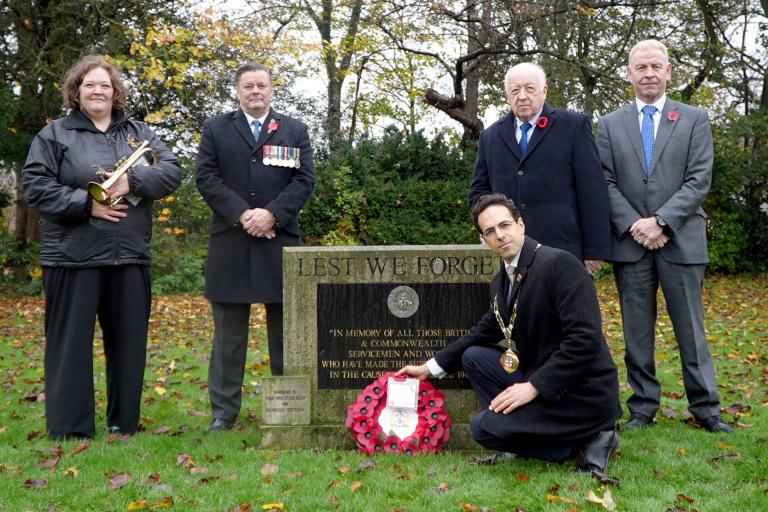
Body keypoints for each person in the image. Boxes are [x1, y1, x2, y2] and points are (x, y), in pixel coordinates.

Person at [398, 193, 622, 473]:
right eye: (490, 231)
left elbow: (585, 340)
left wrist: (534, 386)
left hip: (582, 394)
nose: (500, 235)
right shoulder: (501, 282)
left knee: (483, 430)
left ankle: (594, 436)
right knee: (475, 356)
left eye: (505, 225)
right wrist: (430, 368)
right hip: (543, 381)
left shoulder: (559, 265)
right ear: (483, 240)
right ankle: (559, 442)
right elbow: (483, 331)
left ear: (521, 225)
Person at [22, 55, 182, 439]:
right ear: (76, 92)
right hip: (71, 257)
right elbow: (36, 187)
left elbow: (173, 170)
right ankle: (71, 429)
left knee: (128, 348)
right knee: (69, 348)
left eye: (105, 85)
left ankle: (122, 423)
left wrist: (134, 182)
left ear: (116, 92)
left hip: (129, 255)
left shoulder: (139, 133)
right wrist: (86, 204)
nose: (98, 91)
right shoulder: (55, 135)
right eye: (90, 85)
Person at [597, 40, 733, 433]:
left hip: (682, 241)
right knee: (636, 333)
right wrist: (636, 225)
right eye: (641, 67)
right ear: (630, 74)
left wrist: (661, 221)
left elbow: (699, 180)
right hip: (630, 245)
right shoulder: (609, 124)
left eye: (656, 66)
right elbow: (604, 182)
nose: (649, 73)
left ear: (669, 71)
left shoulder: (694, 118)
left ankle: (706, 408)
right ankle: (642, 407)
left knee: (691, 329)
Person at [196, 63, 316, 431]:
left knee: (284, 334)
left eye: (262, 85)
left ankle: (285, 409)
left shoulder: (294, 130)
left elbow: (304, 179)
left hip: (278, 243)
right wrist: (243, 215)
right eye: (248, 86)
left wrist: (272, 214)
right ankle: (224, 412)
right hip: (231, 243)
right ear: (237, 91)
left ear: (272, 90)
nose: (255, 92)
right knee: (229, 337)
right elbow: (206, 177)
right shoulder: (216, 129)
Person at [469, 62, 611, 275]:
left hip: (566, 250)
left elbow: (593, 190)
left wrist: (594, 249)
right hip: (512, 253)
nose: (522, 96)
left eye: (530, 88)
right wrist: (489, 231)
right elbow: (479, 193)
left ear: (544, 91)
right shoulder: (490, 137)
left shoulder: (573, 126)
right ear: (507, 96)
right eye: (515, 91)